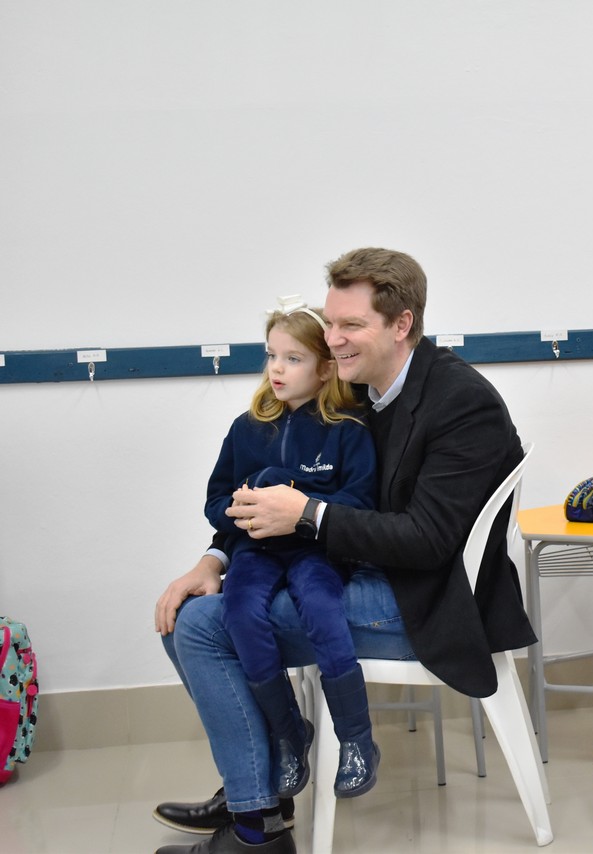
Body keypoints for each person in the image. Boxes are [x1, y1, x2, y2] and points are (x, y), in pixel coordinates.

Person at [152, 248, 534, 854]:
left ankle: (256, 822)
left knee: (199, 627)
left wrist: (307, 514)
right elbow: (278, 493)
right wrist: (213, 560)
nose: (332, 339)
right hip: (365, 575)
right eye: (329, 323)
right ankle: (259, 787)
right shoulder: (360, 392)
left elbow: (427, 540)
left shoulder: (462, 402)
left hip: (429, 600)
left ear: (402, 324)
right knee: (189, 612)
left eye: (350, 325)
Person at [209, 299, 379, 803]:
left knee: (323, 609)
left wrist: (302, 505)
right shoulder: (245, 428)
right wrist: (242, 512)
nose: (277, 369)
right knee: (239, 614)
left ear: (325, 369)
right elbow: (215, 501)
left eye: (293, 358)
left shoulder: (349, 429)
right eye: (271, 356)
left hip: (317, 550)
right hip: (256, 552)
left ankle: (357, 738)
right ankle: (289, 733)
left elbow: (360, 502)